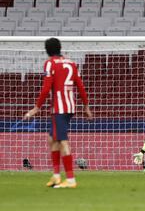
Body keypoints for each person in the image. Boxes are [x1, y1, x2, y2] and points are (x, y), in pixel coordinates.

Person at [24, 38, 93, 188]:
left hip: (59, 108)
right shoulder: (71, 63)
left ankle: (70, 179)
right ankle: (56, 176)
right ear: (60, 48)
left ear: (47, 50)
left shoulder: (50, 63)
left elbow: (46, 87)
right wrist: (86, 106)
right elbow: (80, 86)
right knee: (52, 139)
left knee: (62, 141)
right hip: (70, 107)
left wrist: (36, 107)